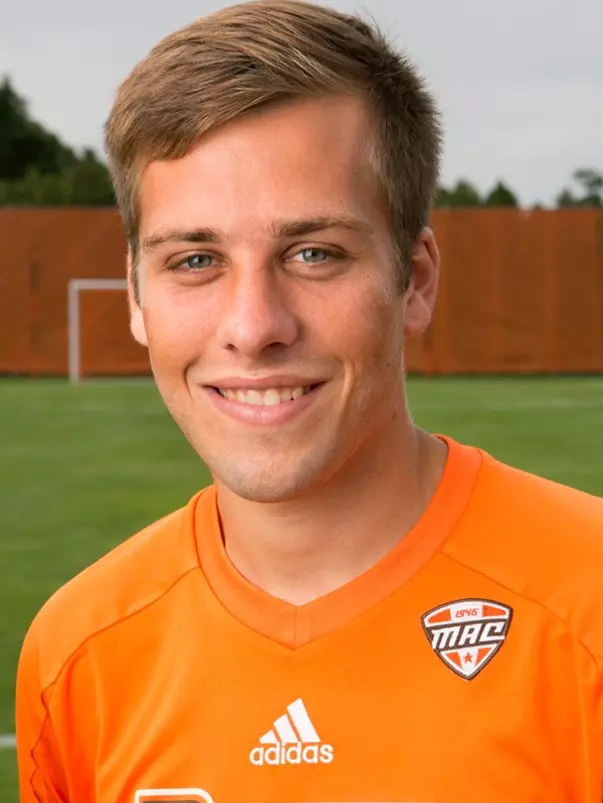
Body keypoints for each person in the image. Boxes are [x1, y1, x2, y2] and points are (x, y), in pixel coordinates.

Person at [15, 1, 603, 801]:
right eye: (194, 259)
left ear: (415, 279)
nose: (253, 326)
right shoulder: (77, 649)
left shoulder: (585, 605)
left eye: (314, 252)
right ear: (134, 293)